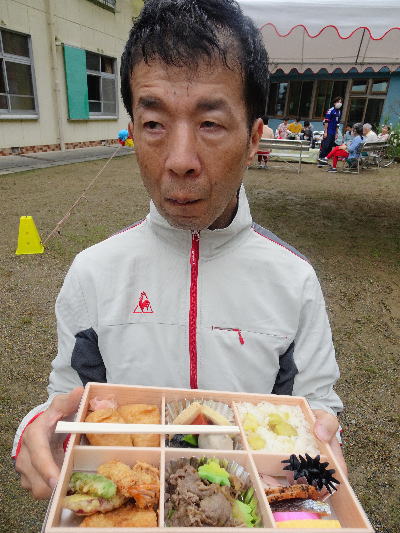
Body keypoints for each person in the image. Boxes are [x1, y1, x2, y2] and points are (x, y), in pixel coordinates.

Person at [14, 0, 345, 500]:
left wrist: (323, 443)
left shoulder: (293, 279)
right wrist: (37, 431)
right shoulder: (93, 272)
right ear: (132, 132)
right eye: (154, 124)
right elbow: (69, 399)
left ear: (254, 139)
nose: (180, 160)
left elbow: (315, 405)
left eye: (210, 123)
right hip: (135, 502)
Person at [318, 96, 343, 166]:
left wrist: (336, 133)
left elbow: (338, 123)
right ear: (334, 103)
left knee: (330, 147)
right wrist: (325, 132)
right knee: (325, 146)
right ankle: (320, 159)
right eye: (338, 102)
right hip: (328, 131)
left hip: (334, 132)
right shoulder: (330, 110)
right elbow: (326, 122)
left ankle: (325, 160)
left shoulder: (339, 112)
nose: (339, 103)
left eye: (341, 102)